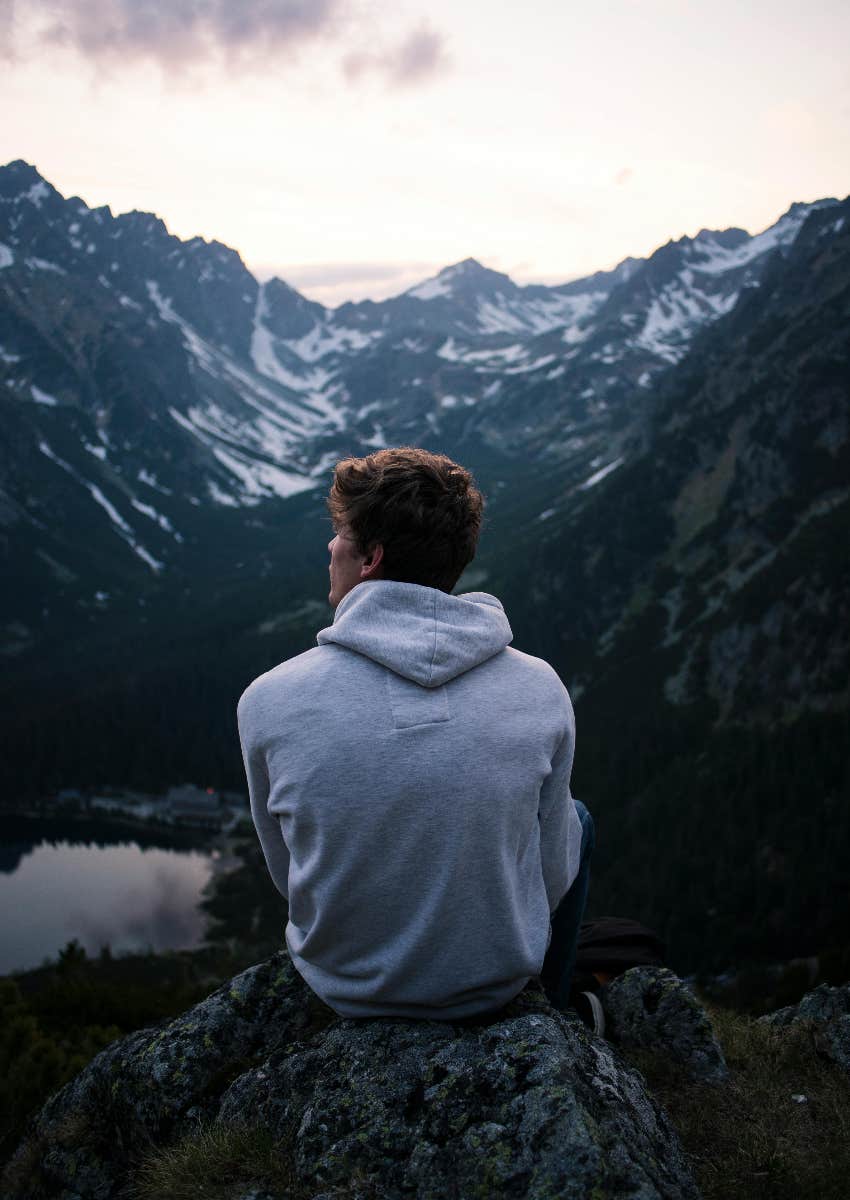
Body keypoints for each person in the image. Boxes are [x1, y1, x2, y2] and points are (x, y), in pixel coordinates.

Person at [237, 446, 594, 1020]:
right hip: (494, 986)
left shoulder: (268, 698)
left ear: (371, 557)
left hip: (346, 988)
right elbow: (553, 877)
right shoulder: (540, 686)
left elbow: (291, 875)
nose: (331, 546)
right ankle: (554, 1006)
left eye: (342, 533)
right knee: (577, 821)